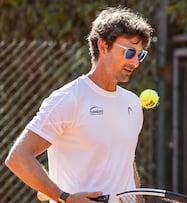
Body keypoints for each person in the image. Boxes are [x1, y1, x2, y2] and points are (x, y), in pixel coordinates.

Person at [5, 6, 153, 203]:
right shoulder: (69, 98)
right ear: (103, 46)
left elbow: (126, 162)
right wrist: (64, 197)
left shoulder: (132, 103)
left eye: (140, 55)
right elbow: (18, 158)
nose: (135, 62)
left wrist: (139, 201)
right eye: (129, 53)